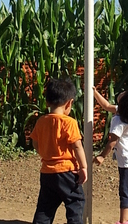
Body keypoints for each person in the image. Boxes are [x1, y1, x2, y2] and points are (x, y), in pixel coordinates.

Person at [30, 77, 87, 224]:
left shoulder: (41, 121)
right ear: (69, 103)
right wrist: (83, 167)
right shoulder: (69, 122)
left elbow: (35, 142)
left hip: (47, 172)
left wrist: (44, 152)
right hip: (67, 172)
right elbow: (77, 146)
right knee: (75, 202)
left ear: (47, 102)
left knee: (45, 207)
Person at [93, 86, 128, 224]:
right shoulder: (124, 114)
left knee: (125, 193)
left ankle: (124, 221)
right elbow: (106, 105)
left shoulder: (118, 121)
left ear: (123, 104)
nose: (122, 92)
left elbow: (112, 142)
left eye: (124, 94)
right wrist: (94, 93)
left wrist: (102, 156)